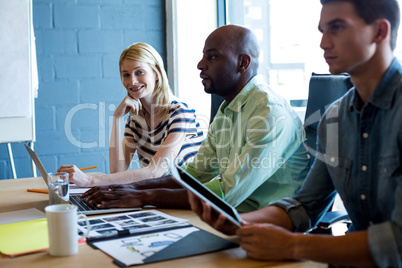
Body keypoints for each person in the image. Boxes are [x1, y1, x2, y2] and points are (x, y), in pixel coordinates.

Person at [189, 0, 402, 267]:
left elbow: (397, 239)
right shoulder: (335, 117)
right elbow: (305, 207)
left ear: (379, 32)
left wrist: (294, 245)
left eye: (336, 28)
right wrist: (236, 222)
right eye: (322, 30)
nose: (323, 42)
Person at [82, 25, 310, 212]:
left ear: (243, 63)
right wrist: (133, 191)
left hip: (270, 225)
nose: (200, 65)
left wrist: (144, 195)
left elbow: (226, 193)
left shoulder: (268, 112)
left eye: (212, 57)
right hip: (230, 216)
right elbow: (194, 174)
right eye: (203, 57)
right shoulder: (227, 110)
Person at [58, 43, 204, 187]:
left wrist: (90, 181)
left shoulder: (180, 113)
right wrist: (116, 119)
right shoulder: (136, 119)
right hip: (163, 195)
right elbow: (117, 170)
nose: (132, 81)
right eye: (126, 75)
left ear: (156, 73)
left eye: (139, 72)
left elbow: (155, 172)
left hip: (194, 199)